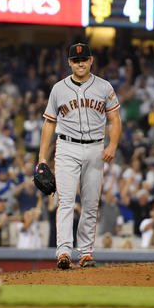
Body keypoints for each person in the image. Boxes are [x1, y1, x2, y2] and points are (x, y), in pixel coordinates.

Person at [37, 43, 122, 269]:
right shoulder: (58, 89)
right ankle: (64, 251)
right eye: (76, 60)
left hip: (96, 148)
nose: (80, 63)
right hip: (67, 147)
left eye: (84, 59)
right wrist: (42, 158)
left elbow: (115, 119)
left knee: (91, 203)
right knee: (65, 201)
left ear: (91, 60)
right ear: (69, 63)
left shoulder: (104, 87)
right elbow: (49, 123)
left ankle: (85, 253)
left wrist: (112, 145)